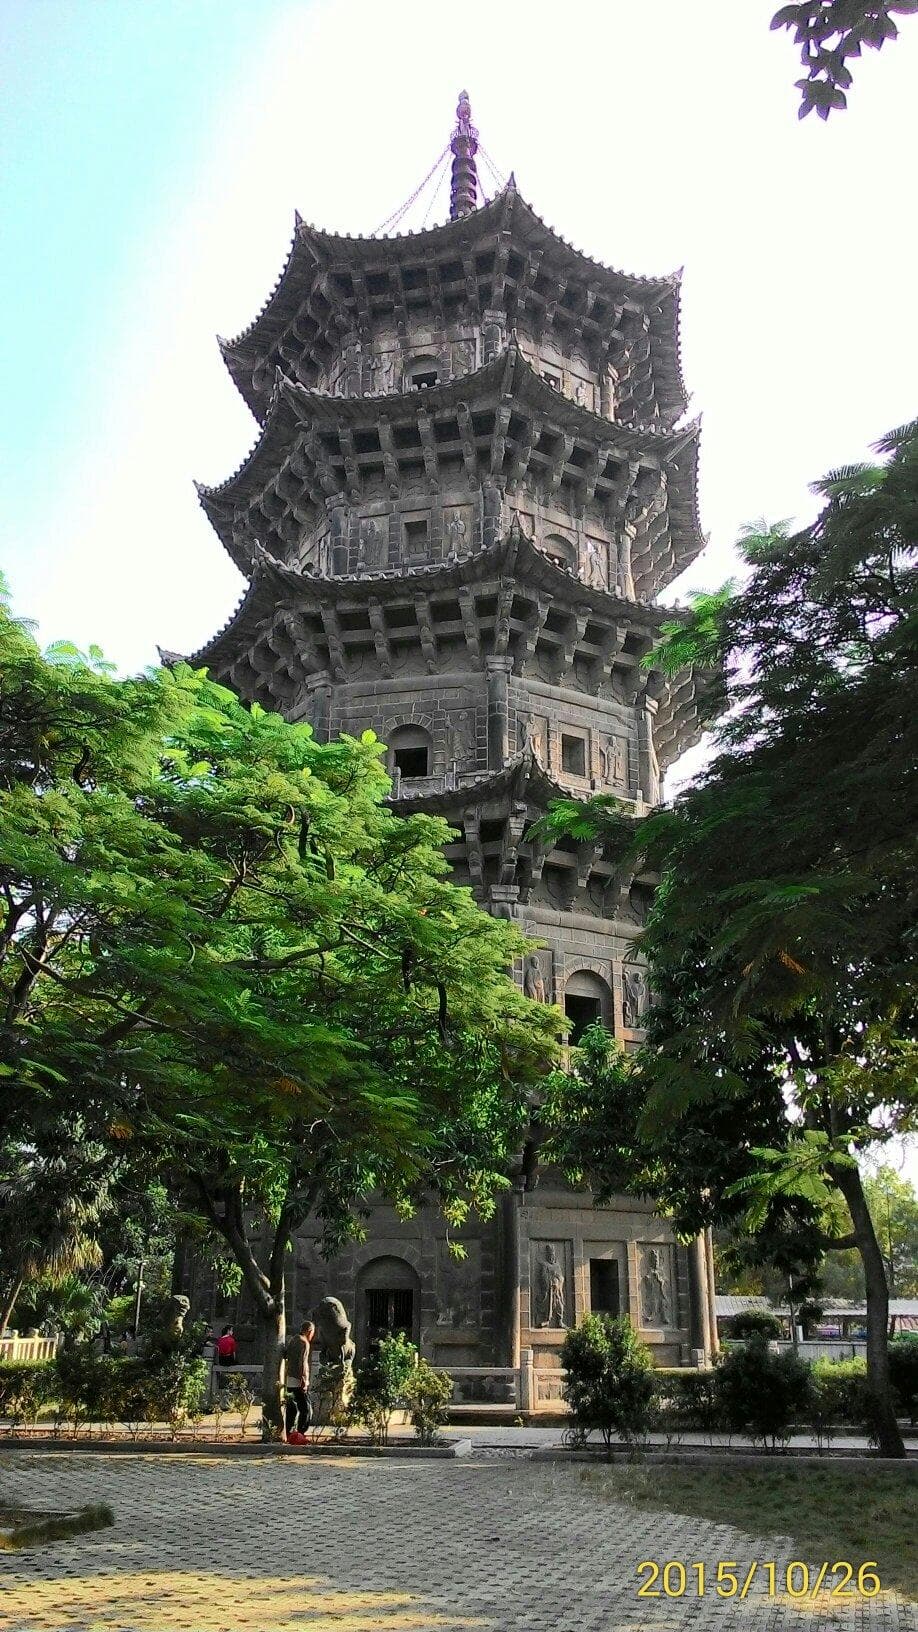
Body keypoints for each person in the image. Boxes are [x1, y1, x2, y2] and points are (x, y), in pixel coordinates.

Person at [284, 1321, 315, 1439]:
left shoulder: (292, 1340)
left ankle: (289, 1432)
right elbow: (301, 1362)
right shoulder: (304, 1342)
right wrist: (303, 1380)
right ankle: (301, 1432)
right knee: (306, 1408)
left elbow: (287, 1355)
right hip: (298, 1379)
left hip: (289, 1378)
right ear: (309, 1331)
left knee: (291, 1408)